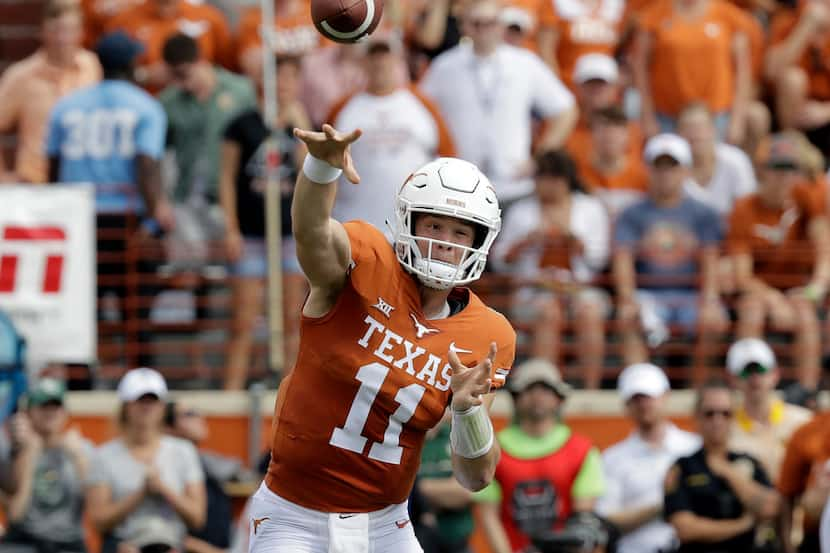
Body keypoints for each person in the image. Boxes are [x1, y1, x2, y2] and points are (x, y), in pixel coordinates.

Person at [246, 122, 516, 553]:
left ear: (480, 241)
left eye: (460, 232)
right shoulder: (367, 259)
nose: (446, 243)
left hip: (386, 526)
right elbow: (313, 235)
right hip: (293, 513)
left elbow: (476, 477)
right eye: (435, 227)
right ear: (409, 223)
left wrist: (467, 413)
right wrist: (320, 169)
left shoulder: (489, 333)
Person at [46, 30, 172, 369]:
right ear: (131, 64)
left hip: (78, 218)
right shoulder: (145, 105)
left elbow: (53, 168)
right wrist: (153, 217)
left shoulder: (67, 105)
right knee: (137, 311)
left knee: (82, 311)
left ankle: (80, 382)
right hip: (126, 217)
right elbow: (146, 164)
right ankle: (141, 379)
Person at [420, 0, 578, 208]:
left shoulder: (524, 63)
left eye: (491, 23)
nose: (484, 30)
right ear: (464, 26)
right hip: (461, 187)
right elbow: (422, 112)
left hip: (514, 184)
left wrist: (539, 158)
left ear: (501, 25)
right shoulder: (445, 66)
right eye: (477, 23)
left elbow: (566, 110)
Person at [219, 54, 309, 389]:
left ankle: (288, 391)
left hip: (288, 235)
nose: (283, 85)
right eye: (278, 77)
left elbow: (309, 173)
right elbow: (226, 177)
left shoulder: (300, 125)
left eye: (290, 78)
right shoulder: (242, 124)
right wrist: (230, 228)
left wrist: (301, 127)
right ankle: (230, 393)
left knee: (290, 319)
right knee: (243, 321)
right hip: (251, 234)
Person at [491, 150, 610, 389]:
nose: (547, 185)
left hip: (578, 288)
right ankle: (544, 388)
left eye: (553, 179)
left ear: (566, 180)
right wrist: (525, 243)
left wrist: (577, 245)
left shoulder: (590, 208)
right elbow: (499, 261)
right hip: (533, 290)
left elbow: (600, 259)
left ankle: (591, 389)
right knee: (547, 312)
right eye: (542, 178)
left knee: (590, 311)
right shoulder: (522, 211)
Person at [612, 133, 726, 380]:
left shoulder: (703, 213)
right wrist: (628, 298)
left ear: (685, 171)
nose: (665, 174)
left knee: (713, 319)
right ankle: (638, 383)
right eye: (659, 167)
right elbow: (623, 259)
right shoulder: (631, 213)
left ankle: (698, 387)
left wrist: (710, 299)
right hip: (648, 295)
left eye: (672, 167)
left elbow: (710, 258)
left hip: (690, 296)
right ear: (649, 171)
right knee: (628, 316)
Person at [727, 131, 830, 390]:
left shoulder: (806, 197)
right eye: (777, 169)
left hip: (797, 288)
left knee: (806, 315)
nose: (784, 177)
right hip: (759, 289)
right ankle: (745, 387)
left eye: (790, 169)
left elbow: (824, 248)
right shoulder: (744, 208)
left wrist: (814, 288)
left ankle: (807, 391)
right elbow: (742, 275)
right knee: (752, 312)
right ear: (763, 171)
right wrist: (773, 299)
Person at [328, 31, 456, 232]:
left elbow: (449, 159)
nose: (380, 62)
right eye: (373, 55)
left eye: (386, 55)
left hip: (410, 228)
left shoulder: (422, 104)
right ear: (363, 61)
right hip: (353, 226)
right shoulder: (343, 108)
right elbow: (326, 164)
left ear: (398, 59)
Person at [476, 359, 604, 553]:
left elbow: (583, 518)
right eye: (529, 389)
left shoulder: (581, 450)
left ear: (559, 398)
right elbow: (488, 514)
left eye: (545, 389)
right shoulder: (493, 448)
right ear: (516, 398)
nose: (537, 396)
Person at [160, 33, 257, 278]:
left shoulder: (241, 91)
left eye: (184, 75)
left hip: (231, 197)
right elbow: (160, 155)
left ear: (201, 62)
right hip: (187, 199)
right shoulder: (168, 102)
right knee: (189, 275)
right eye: (174, 76)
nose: (181, 83)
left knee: (230, 272)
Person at [86, 368, 206, 553]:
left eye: (153, 400)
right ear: (126, 406)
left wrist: (163, 489)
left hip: (172, 544)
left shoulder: (183, 451)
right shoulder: (103, 456)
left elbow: (197, 517)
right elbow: (99, 521)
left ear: (162, 407)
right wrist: (140, 493)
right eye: (140, 400)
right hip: (122, 545)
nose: (146, 407)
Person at [663, 379, 780, 553]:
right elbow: (685, 529)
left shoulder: (750, 462)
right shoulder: (682, 468)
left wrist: (729, 473)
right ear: (697, 417)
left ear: (734, 417)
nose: (717, 420)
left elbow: (770, 508)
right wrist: (742, 525)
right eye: (709, 413)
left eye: (725, 413)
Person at [596, 363, 700, 553]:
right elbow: (606, 521)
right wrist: (667, 505)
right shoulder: (612, 458)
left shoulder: (694, 447)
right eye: (636, 399)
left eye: (649, 397)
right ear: (626, 405)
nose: (644, 404)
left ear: (666, 396)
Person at [0, 0, 101, 184]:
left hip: (83, 181)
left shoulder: (92, 67)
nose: (62, 39)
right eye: (56, 30)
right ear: (42, 32)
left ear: (81, 33)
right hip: (36, 181)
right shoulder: (21, 76)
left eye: (70, 31)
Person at [1, 379, 93, 553]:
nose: (50, 412)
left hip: (69, 542)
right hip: (24, 540)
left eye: (55, 406)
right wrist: (28, 456)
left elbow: (96, 510)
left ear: (65, 412)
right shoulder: (14, 449)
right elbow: (15, 515)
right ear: (28, 412)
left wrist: (78, 458)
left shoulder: (83, 448)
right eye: (43, 406)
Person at [165, 401, 255, 553]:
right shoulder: (166, 468)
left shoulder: (207, 462)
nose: (199, 418)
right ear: (167, 428)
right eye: (189, 415)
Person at [725, 338, 812, 484]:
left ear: (775, 374)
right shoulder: (724, 428)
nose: (754, 377)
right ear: (731, 378)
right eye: (746, 372)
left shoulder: (803, 421)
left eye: (761, 369)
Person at [416, 410, 476, 553]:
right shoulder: (400, 439)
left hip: (456, 538)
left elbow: (465, 492)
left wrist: (416, 490)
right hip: (411, 539)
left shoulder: (455, 436)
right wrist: (443, 493)